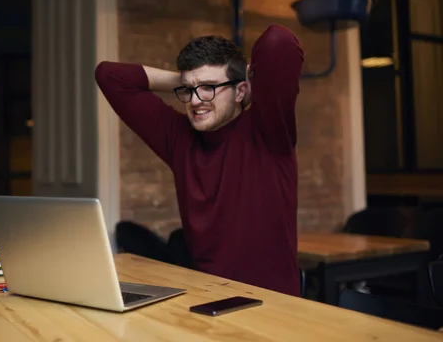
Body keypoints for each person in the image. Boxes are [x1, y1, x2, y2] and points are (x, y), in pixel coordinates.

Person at [95, 24, 304, 296]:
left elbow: (279, 41)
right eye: (189, 89)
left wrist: (252, 78)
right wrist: (184, 81)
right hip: (208, 304)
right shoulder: (179, 139)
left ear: (241, 91)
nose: (196, 100)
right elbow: (109, 76)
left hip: (276, 308)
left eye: (209, 88)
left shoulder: (269, 131)